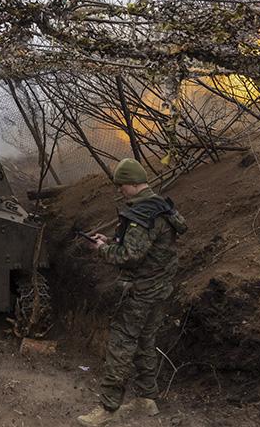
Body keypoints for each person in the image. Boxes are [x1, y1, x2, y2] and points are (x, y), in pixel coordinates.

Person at [76, 158, 187, 427]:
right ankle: (147, 398)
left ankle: (107, 408)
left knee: (121, 345)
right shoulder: (161, 206)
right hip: (160, 289)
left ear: (133, 183)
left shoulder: (140, 214)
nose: (120, 191)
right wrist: (111, 240)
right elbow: (148, 245)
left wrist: (100, 249)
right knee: (146, 341)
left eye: (122, 186)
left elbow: (130, 255)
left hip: (140, 292)